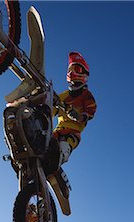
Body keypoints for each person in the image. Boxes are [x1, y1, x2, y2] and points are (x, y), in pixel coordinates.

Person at [49, 52, 97, 196]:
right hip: (58, 130)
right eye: (70, 69)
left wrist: (80, 116)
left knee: (64, 147)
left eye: (77, 69)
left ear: (85, 74)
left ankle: (59, 161)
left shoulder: (86, 95)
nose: (72, 73)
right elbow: (51, 109)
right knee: (44, 143)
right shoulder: (63, 96)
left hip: (72, 131)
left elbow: (90, 111)